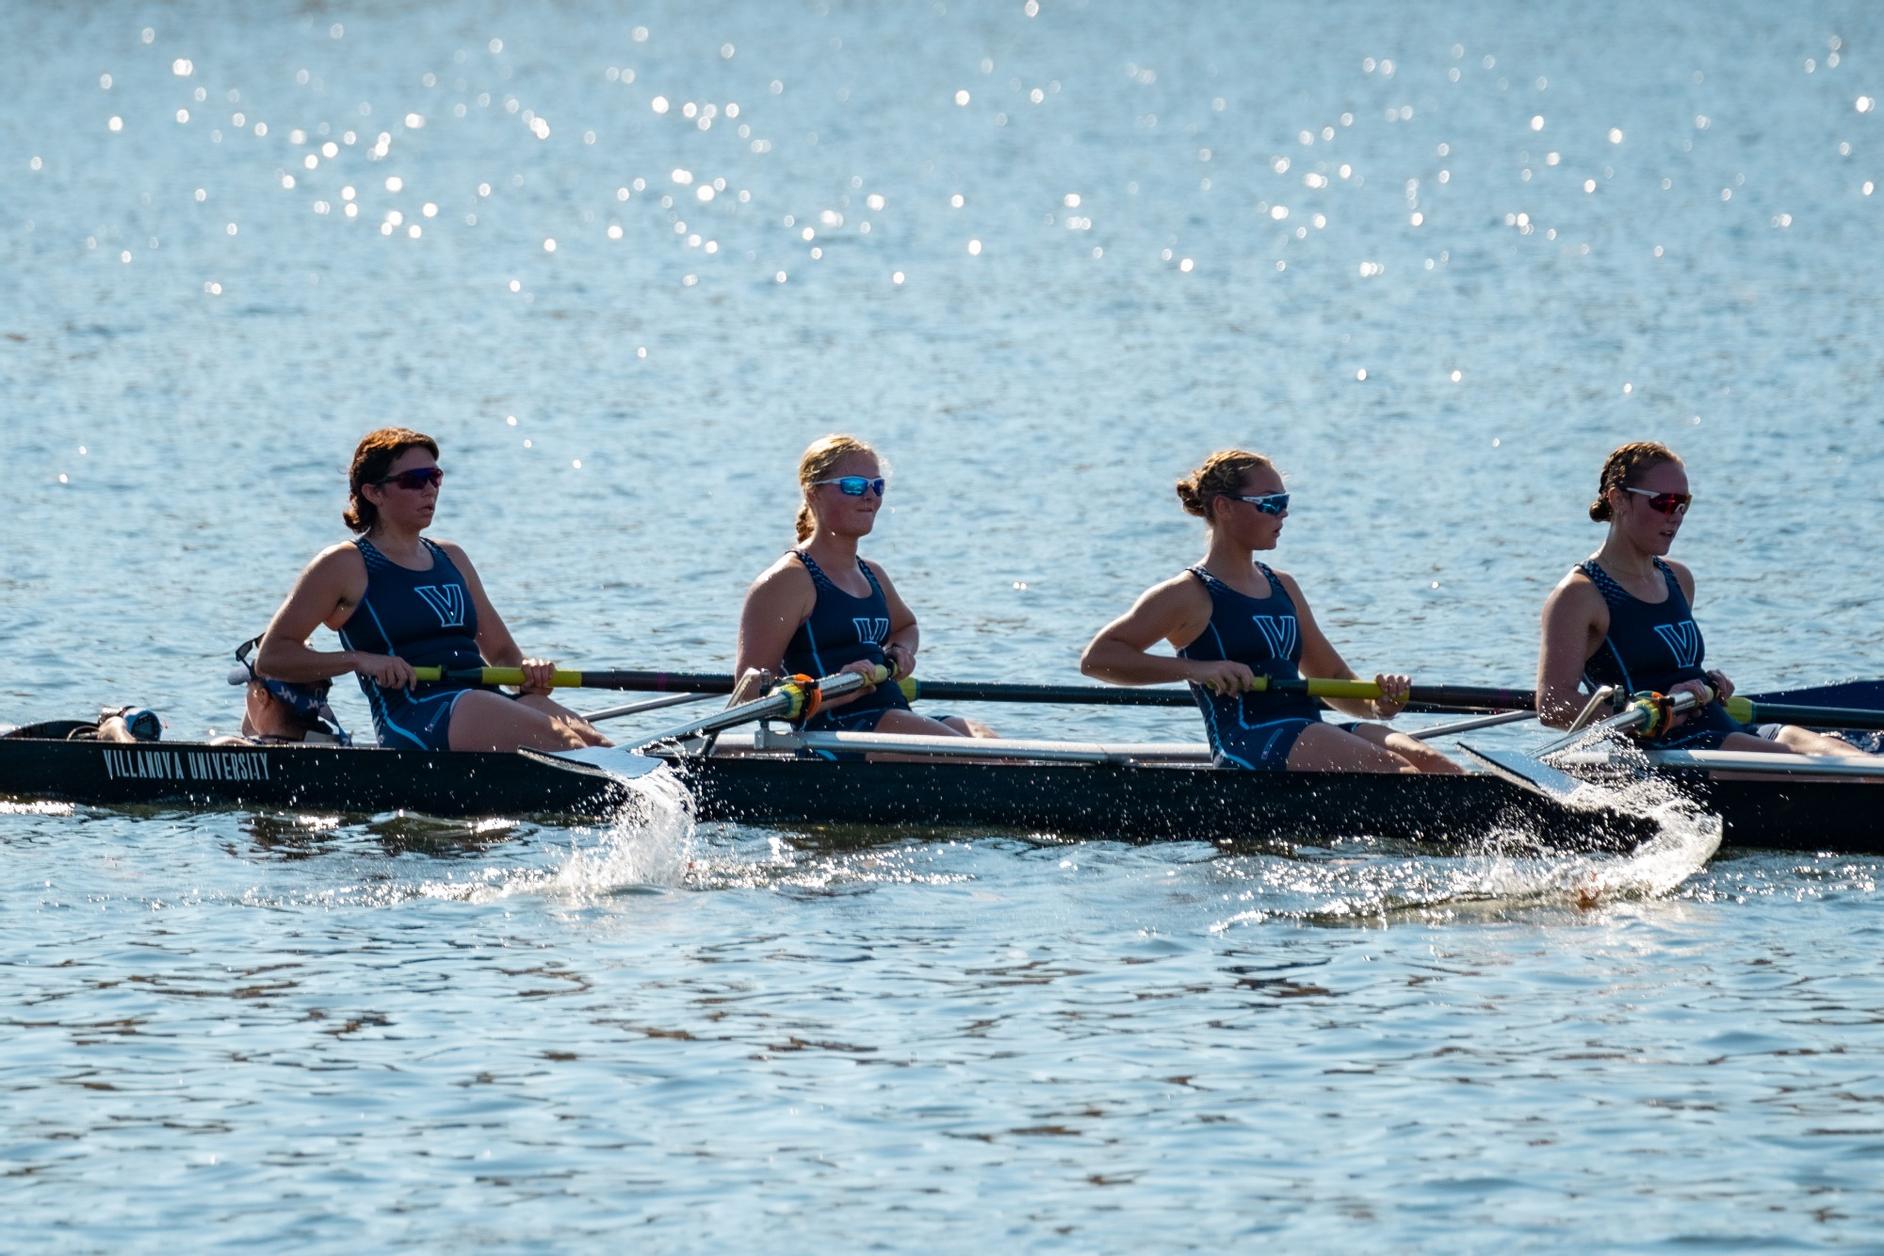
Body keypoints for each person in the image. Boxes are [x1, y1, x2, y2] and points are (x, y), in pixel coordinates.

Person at [1080, 449, 1458, 773]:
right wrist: (1197, 670)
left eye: (1285, 503)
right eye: (1270, 504)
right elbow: (1098, 659)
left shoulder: (1284, 586)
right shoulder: (1187, 593)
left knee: (1438, 768)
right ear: (1224, 508)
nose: (1283, 515)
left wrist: (1378, 702)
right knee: (1399, 773)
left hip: (1307, 732)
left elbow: (1333, 675)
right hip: (1248, 743)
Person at [254, 428, 608, 752]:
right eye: (414, 480)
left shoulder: (451, 557)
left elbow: (502, 653)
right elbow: (272, 657)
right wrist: (360, 660)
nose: (430, 489)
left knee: (598, 745)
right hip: (416, 717)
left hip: (482, 703)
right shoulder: (343, 565)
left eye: (435, 477)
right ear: (373, 492)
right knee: (566, 745)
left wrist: (530, 672)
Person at [1536, 441, 1864, 755]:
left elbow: (1672, 667)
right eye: (1663, 502)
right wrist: (1637, 711)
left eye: (1683, 504)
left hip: (1724, 728)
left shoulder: (1678, 578)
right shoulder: (1579, 595)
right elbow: (1552, 705)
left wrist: (1709, 683)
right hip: (1673, 750)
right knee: (1813, 766)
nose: (1676, 515)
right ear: (1618, 499)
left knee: (1860, 762)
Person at [732, 434, 993, 745]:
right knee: (995, 759)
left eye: (877, 486)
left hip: (889, 717)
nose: (869, 496)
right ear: (813, 493)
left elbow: (907, 627)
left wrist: (901, 652)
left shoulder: (873, 575)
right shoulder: (786, 582)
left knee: (984, 737)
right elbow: (748, 696)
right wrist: (830, 689)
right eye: (854, 485)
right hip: (834, 734)